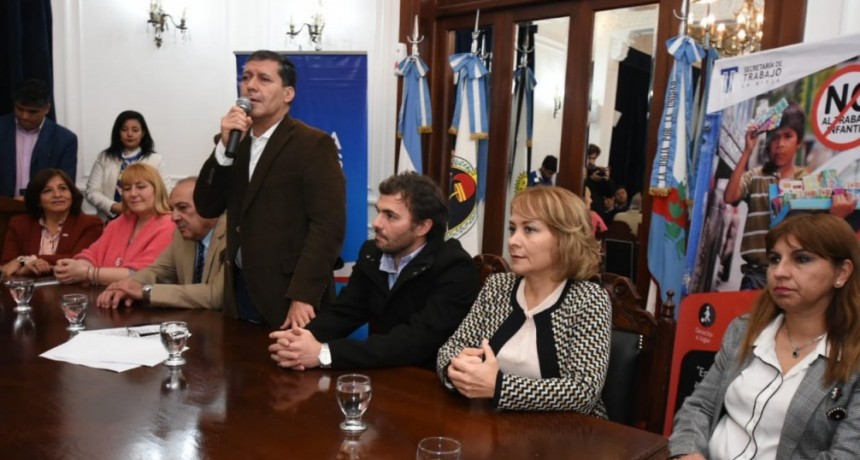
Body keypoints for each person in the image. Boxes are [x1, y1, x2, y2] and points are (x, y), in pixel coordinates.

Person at [669, 213, 860, 459]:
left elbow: (847, 454)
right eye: (774, 259)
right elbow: (699, 406)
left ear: (842, 273)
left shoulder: (854, 356)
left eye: (801, 259)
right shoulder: (743, 330)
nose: (780, 272)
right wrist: (690, 453)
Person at [194, 50, 346, 328]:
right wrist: (223, 149)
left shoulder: (313, 145)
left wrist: (304, 296)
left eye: (264, 79)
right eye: (246, 77)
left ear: (288, 94)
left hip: (289, 294)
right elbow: (206, 206)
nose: (251, 86)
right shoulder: (233, 141)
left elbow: (328, 227)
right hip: (237, 290)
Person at [268, 172, 479, 370]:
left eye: (390, 216)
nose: (376, 223)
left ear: (422, 227)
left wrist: (324, 354)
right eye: (379, 212)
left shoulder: (454, 267)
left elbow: (416, 340)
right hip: (382, 372)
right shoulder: (372, 253)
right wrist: (296, 342)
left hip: (428, 381)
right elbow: (346, 312)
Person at [436, 186, 611, 413]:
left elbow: (584, 392)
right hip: (489, 423)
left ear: (564, 239)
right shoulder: (497, 286)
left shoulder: (590, 299)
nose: (513, 240)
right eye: (512, 228)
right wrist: (455, 369)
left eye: (529, 229)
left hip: (565, 431)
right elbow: (450, 349)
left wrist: (499, 388)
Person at [96, 177, 226, 310]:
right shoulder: (182, 234)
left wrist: (146, 291)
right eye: (173, 209)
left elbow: (216, 295)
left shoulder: (233, 238)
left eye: (183, 208)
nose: (174, 217)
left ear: (211, 207)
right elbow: (160, 270)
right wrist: (128, 285)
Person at [725, 102, 807, 290]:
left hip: (791, 276)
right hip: (755, 275)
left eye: (788, 136)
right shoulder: (756, 176)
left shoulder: (805, 181)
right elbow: (730, 197)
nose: (780, 144)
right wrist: (747, 150)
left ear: (799, 142)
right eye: (775, 137)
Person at [54, 163, 174, 285]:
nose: (133, 194)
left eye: (141, 187)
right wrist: (73, 267)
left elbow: (142, 274)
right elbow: (93, 254)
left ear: (157, 190)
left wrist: (88, 273)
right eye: (127, 189)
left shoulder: (169, 224)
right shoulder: (118, 222)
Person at [1, 169, 102, 278]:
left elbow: (78, 259)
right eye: (47, 191)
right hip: (27, 286)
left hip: (70, 286)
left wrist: (27, 260)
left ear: (72, 194)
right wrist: (24, 270)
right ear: (37, 200)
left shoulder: (90, 224)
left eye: (63, 188)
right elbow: (8, 266)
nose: (57, 195)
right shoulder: (19, 224)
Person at [0, 79, 78, 198]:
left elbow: (65, 184)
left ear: (47, 109)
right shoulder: (2, 128)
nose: (24, 116)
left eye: (32, 112)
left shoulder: (64, 139)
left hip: (44, 207)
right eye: (20, 109)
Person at [86, 110, 168, 221]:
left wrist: (141, 208)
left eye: (135, 130)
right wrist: (114, 206)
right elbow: (92, 192)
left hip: (146, 219)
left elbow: (165, 192)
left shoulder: (155, 159)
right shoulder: (104, 158)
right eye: (124, 129)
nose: (129, 134)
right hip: (109, 219)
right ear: (118, 132)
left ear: (143, 133)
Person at [584, 143, 615, 216]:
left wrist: (607, 180)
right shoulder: (578, 171)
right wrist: (590, 180)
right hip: (582, 209)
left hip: (597, 211)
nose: (591, 161)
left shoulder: (598, 171)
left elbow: (610, 194)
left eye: (593, 158)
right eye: (589, 158)